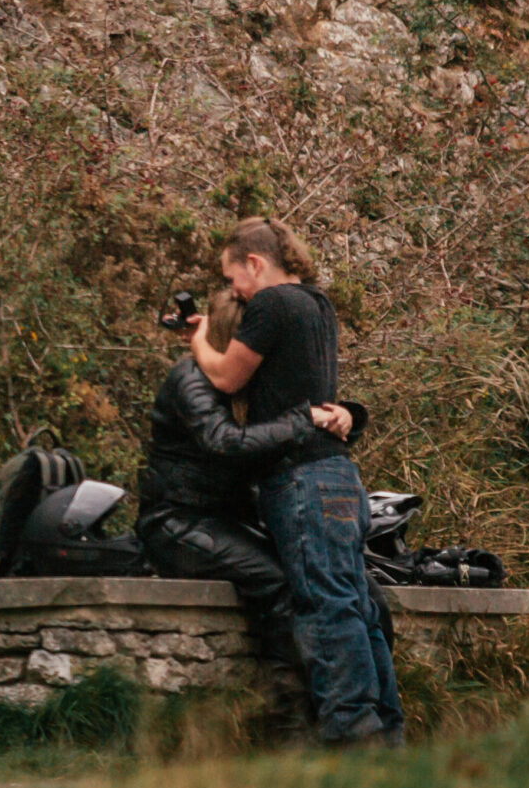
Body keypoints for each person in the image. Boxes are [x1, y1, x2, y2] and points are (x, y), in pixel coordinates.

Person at [189, 216, 402, 748]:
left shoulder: (271, 304)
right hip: (340, 476)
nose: (232, 289)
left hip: (302, 480)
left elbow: (225, 376)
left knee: (325, 609)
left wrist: (197, 340)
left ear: (254, 263)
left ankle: (352, 737)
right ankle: (386, 732)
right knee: (356, 605)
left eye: (232, 275)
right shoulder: (317, 304)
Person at [138, 286, 365, 687]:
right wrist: (303, 419)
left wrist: (347, 414)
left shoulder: (250, 386)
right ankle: (290, 721)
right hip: (178, 521)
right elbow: (223, 442)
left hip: (231, 520)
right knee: (280, 583)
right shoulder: (191, 379)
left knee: (357, 589)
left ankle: (361, 713)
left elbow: (285, 428)